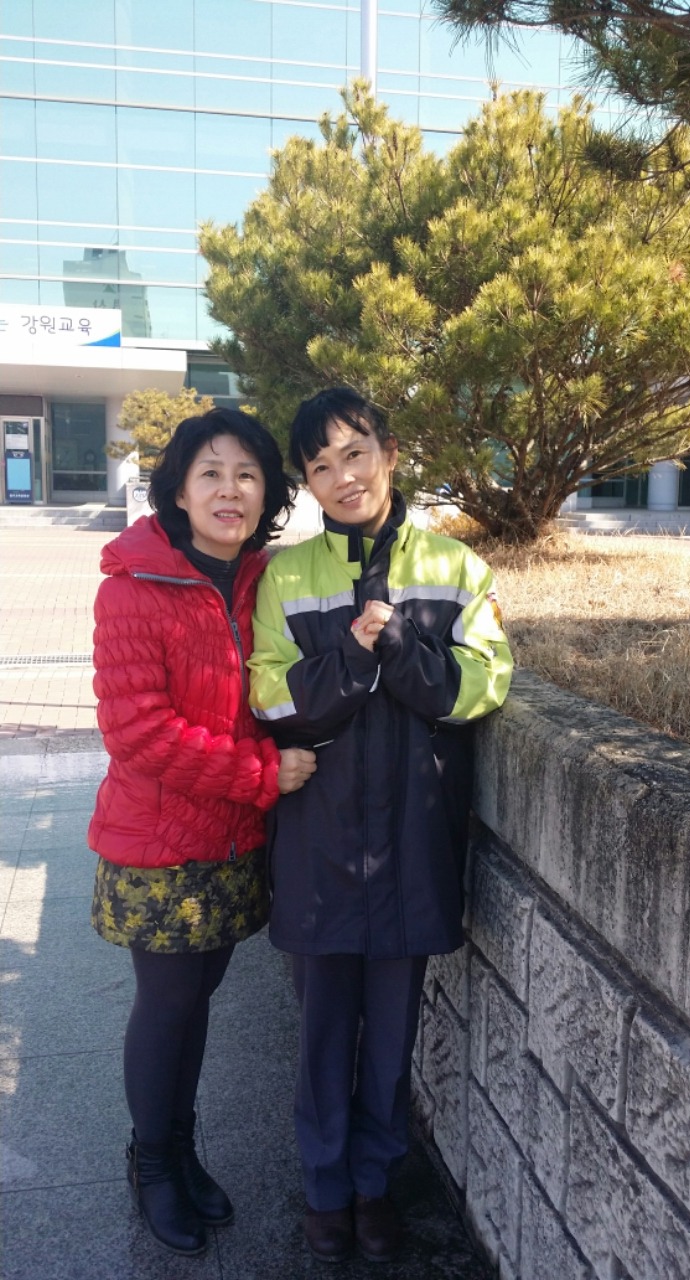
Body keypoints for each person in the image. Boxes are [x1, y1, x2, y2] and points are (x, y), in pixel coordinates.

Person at [248, 387, 513, 1263]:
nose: (342, 476)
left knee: (393, 1037)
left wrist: (402, 647)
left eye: (354, 453)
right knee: (323, 1033)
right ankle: (325, 1190)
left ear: (390, 452)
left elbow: (486, 684)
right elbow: (269, 692)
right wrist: (351, 659)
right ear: (308, 482)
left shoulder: (457, 567)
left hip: (412, 841)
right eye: (319, 465)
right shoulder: (287, 575)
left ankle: (375, 1186)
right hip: (318, 843)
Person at [87, 408, 316, 1258]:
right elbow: (138, 733)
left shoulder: (264, 580)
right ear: (178, 491)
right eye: (210, 473)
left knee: (200, 998)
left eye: (247, 474)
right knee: (168, 1002)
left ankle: (180, 1149)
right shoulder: (133, 587)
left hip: (232, 838)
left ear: (268, 493)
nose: (230, 490)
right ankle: (151, 1163)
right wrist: (261, 775)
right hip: (160, 841)